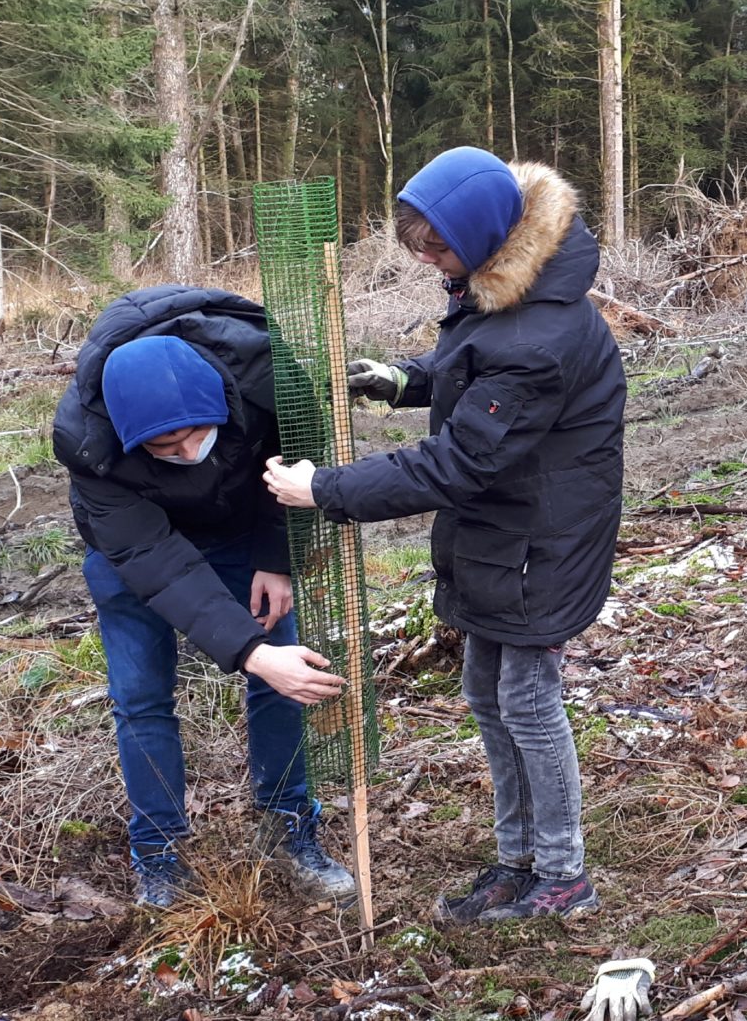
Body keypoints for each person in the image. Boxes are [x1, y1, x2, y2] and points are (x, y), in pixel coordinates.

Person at [261, 146, 624, 923]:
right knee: (484, 692)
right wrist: (408, 379)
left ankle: (563, 874)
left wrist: (324, 489)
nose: (428, 262)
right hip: (505, 530)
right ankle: (516, 859)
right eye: (416, 245)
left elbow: (455, 461)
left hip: (543, 545)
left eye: (437, 246)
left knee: (527, 700)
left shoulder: (541, 336)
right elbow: (472, 366)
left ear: (487, 233)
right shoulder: (503, 286)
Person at [51, 286, 358, 909]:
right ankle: (159, 854)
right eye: (166, 451)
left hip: (245, 528)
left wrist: (275, 558)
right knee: (140, 696)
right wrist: (249, 651)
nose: (190, 455)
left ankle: (288, 830)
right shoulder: (87, 444)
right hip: (138, 551)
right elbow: (153, 561)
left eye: (197, 435)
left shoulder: (266, 375)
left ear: (220, 399)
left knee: (285, 674)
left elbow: (295, 463)